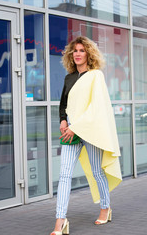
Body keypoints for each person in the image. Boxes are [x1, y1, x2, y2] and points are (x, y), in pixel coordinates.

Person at [50, 36, 122, 235]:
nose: (78, 54)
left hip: (91, 130)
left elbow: (96, 107)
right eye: (75, 51)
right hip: (71, 131)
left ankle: (105, 208)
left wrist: (76, 127)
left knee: (98, 171)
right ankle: (60, 220)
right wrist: (63, 121)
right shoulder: (69, 77)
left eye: (82, 50)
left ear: (89, 54)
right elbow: (63, 104)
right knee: (64, 175)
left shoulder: (96, 76)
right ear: (71, 55)